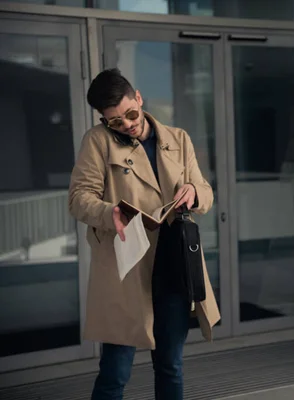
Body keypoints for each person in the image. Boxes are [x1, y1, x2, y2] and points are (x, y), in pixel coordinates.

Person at [68, 68, 220, 400]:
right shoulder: (97, 142)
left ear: (138, 97)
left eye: (130, 114)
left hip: (174, 266)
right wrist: (110, 213)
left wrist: (194, 191)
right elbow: (79, 200)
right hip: (127, 268)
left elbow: (206, 192)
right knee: (115, 372)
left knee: (170, 366)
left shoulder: (177, 138)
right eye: (115, 122)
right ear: (104, 120)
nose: (127, 125)